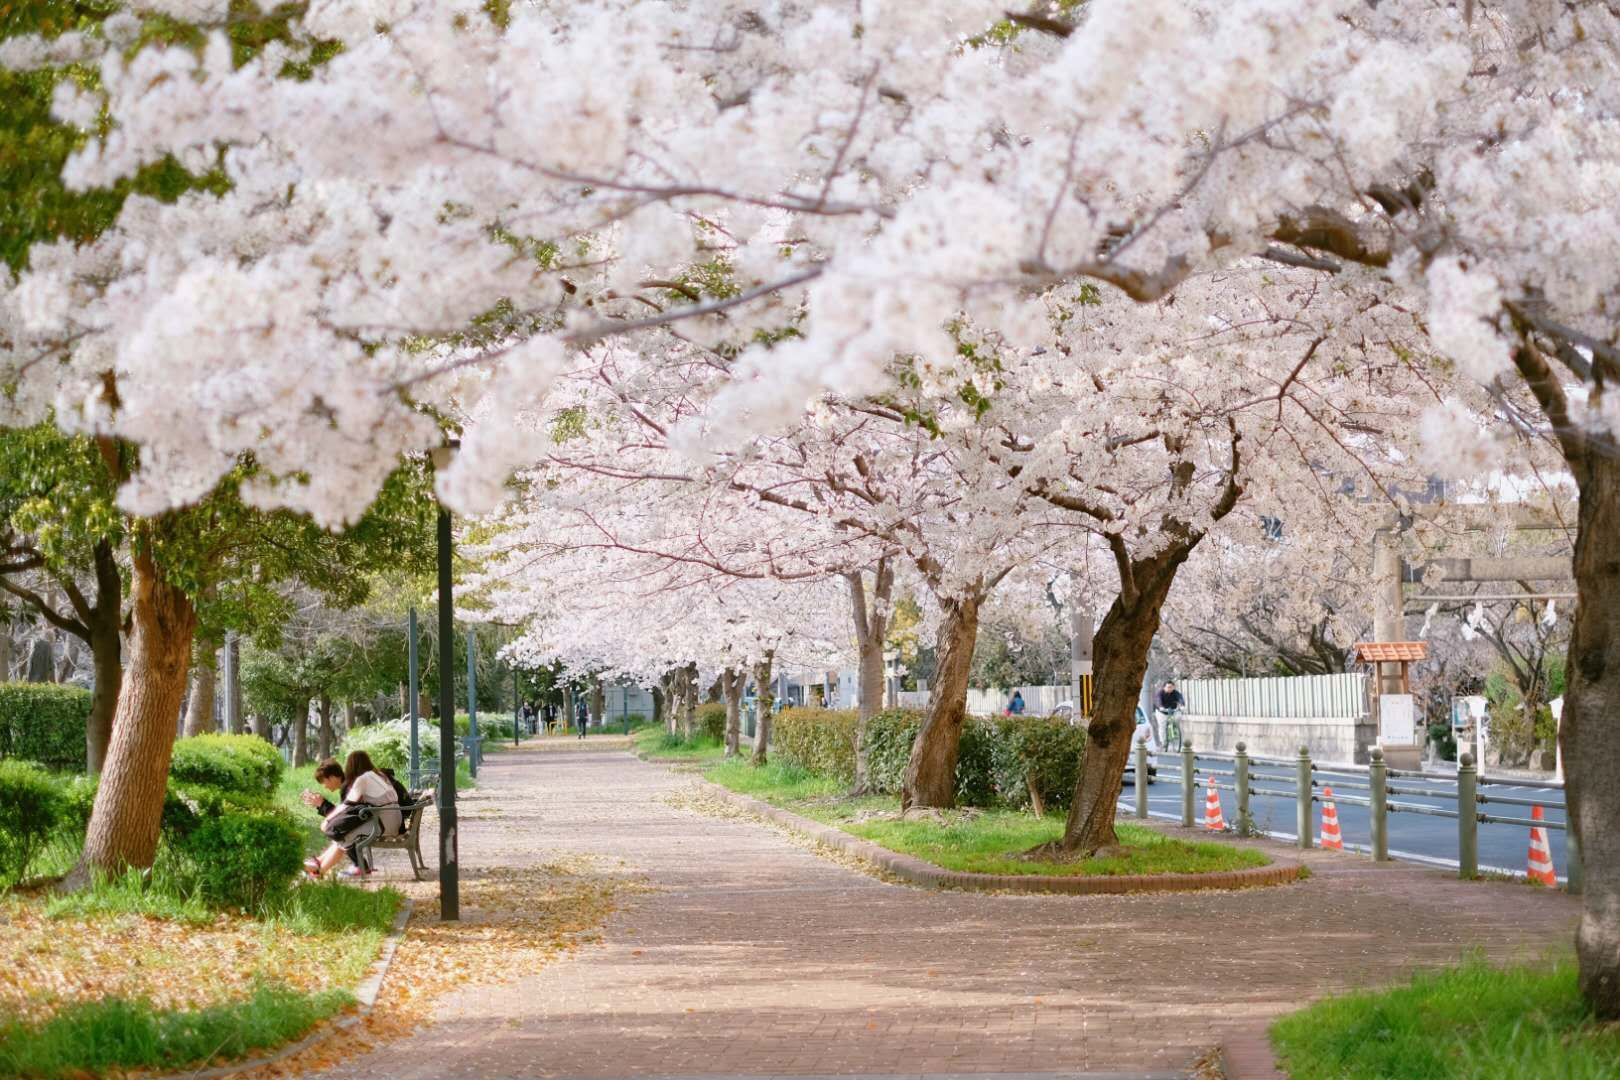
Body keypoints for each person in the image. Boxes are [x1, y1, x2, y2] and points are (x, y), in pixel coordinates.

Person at [303, 750, 402, 879]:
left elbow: (346, 809)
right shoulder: (378, 776)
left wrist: (324, 809)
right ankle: (318, 865)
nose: (324, 787)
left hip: (384, 823)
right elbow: (349, 813)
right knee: (344, 833)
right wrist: (323, 807)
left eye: (324, 782)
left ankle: (319, 872)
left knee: (345, 834)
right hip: (393, 820)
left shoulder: (361, 780)